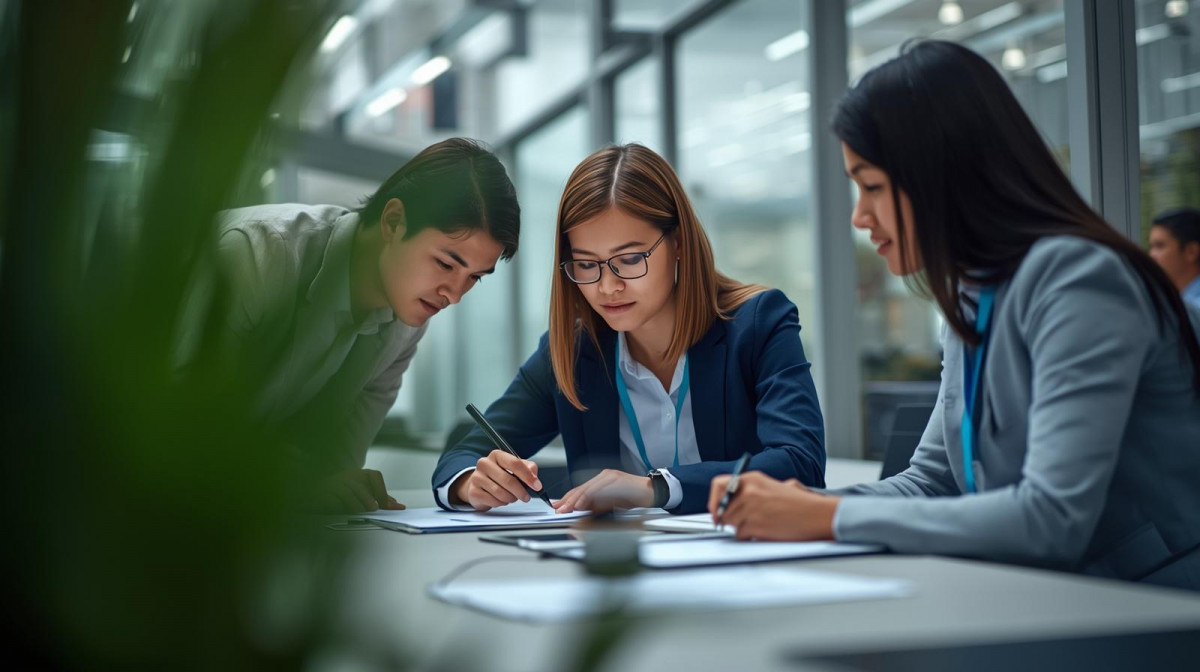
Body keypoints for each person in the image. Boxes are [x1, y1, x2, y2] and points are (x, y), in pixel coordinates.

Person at [708, 40, 1200, 590]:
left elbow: (1051, 519)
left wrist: (826, 516)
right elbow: (931, 481)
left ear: (941, 174)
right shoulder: (975, 292)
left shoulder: (1078, 279)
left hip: (1155, 608)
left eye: (872, 186)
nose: (859, 216)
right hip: (1060, 601)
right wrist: (798, 505)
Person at [431, 143, 825, 515]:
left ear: (679, 243)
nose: (607, 287)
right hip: (615, 561)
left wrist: (657, 488)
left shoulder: (759, 324)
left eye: (631, 259)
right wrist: (471, 482)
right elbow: (461, 456)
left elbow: (801, 464)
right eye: (587, 264)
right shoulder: (571, 351)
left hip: (744, 555)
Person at [183, 138, 520, 513]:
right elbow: (180, 430)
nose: (454, 296)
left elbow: (333, 466)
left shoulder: (407, 324)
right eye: (445, 264)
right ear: (394, 221)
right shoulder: (254, 256)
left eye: (475, 277)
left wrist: (333, 486)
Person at [1148, 207, 1200, 311]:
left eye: (1160, 246)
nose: (1151, 255)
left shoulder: (1194, 310)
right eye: (1152, 247)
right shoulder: (1175, 302)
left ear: (1191, 252)